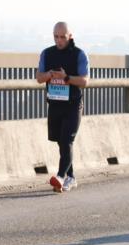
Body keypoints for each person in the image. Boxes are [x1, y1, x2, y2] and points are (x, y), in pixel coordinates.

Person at [36, 22, 89, 192]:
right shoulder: (47, 53)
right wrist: (50, 75)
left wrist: (66, 78)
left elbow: (85, 81)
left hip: (73, 105)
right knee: (61, 143)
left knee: (67, 140)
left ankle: (60, 176)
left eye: (62, 37)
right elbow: (39, 77)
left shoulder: (79, 55)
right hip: (55, 104)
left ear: (70, 37)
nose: (59, 41)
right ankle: (71, 177)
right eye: (56, 37)